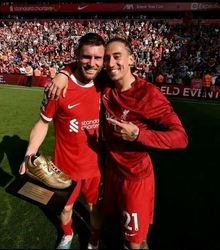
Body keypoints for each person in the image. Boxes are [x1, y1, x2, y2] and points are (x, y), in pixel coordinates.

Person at [47, 36, 188, 250]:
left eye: (117, 57)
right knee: (123, 230)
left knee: (134, 242)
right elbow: (85, 61)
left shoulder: (148, 94)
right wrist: (63, 73)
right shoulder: (106, 84)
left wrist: (139, 135)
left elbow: (180, 137)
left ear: (131, 59)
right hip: (110, 172)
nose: (111, 63)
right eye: (107, 58)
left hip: (135, 178)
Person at [19, 33, 106, 249]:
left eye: (98, 58)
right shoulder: (57, 89)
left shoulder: (105, 83)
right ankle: (67, 234)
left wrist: (63, 71)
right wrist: (29, 154)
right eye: (86, 57)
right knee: (65, 209)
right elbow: (42, 123)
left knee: (95, 209)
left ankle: (93, 239)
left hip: (97, 167)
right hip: (66, 168)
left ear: (104, 60)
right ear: (77, 55)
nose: (92, 63)